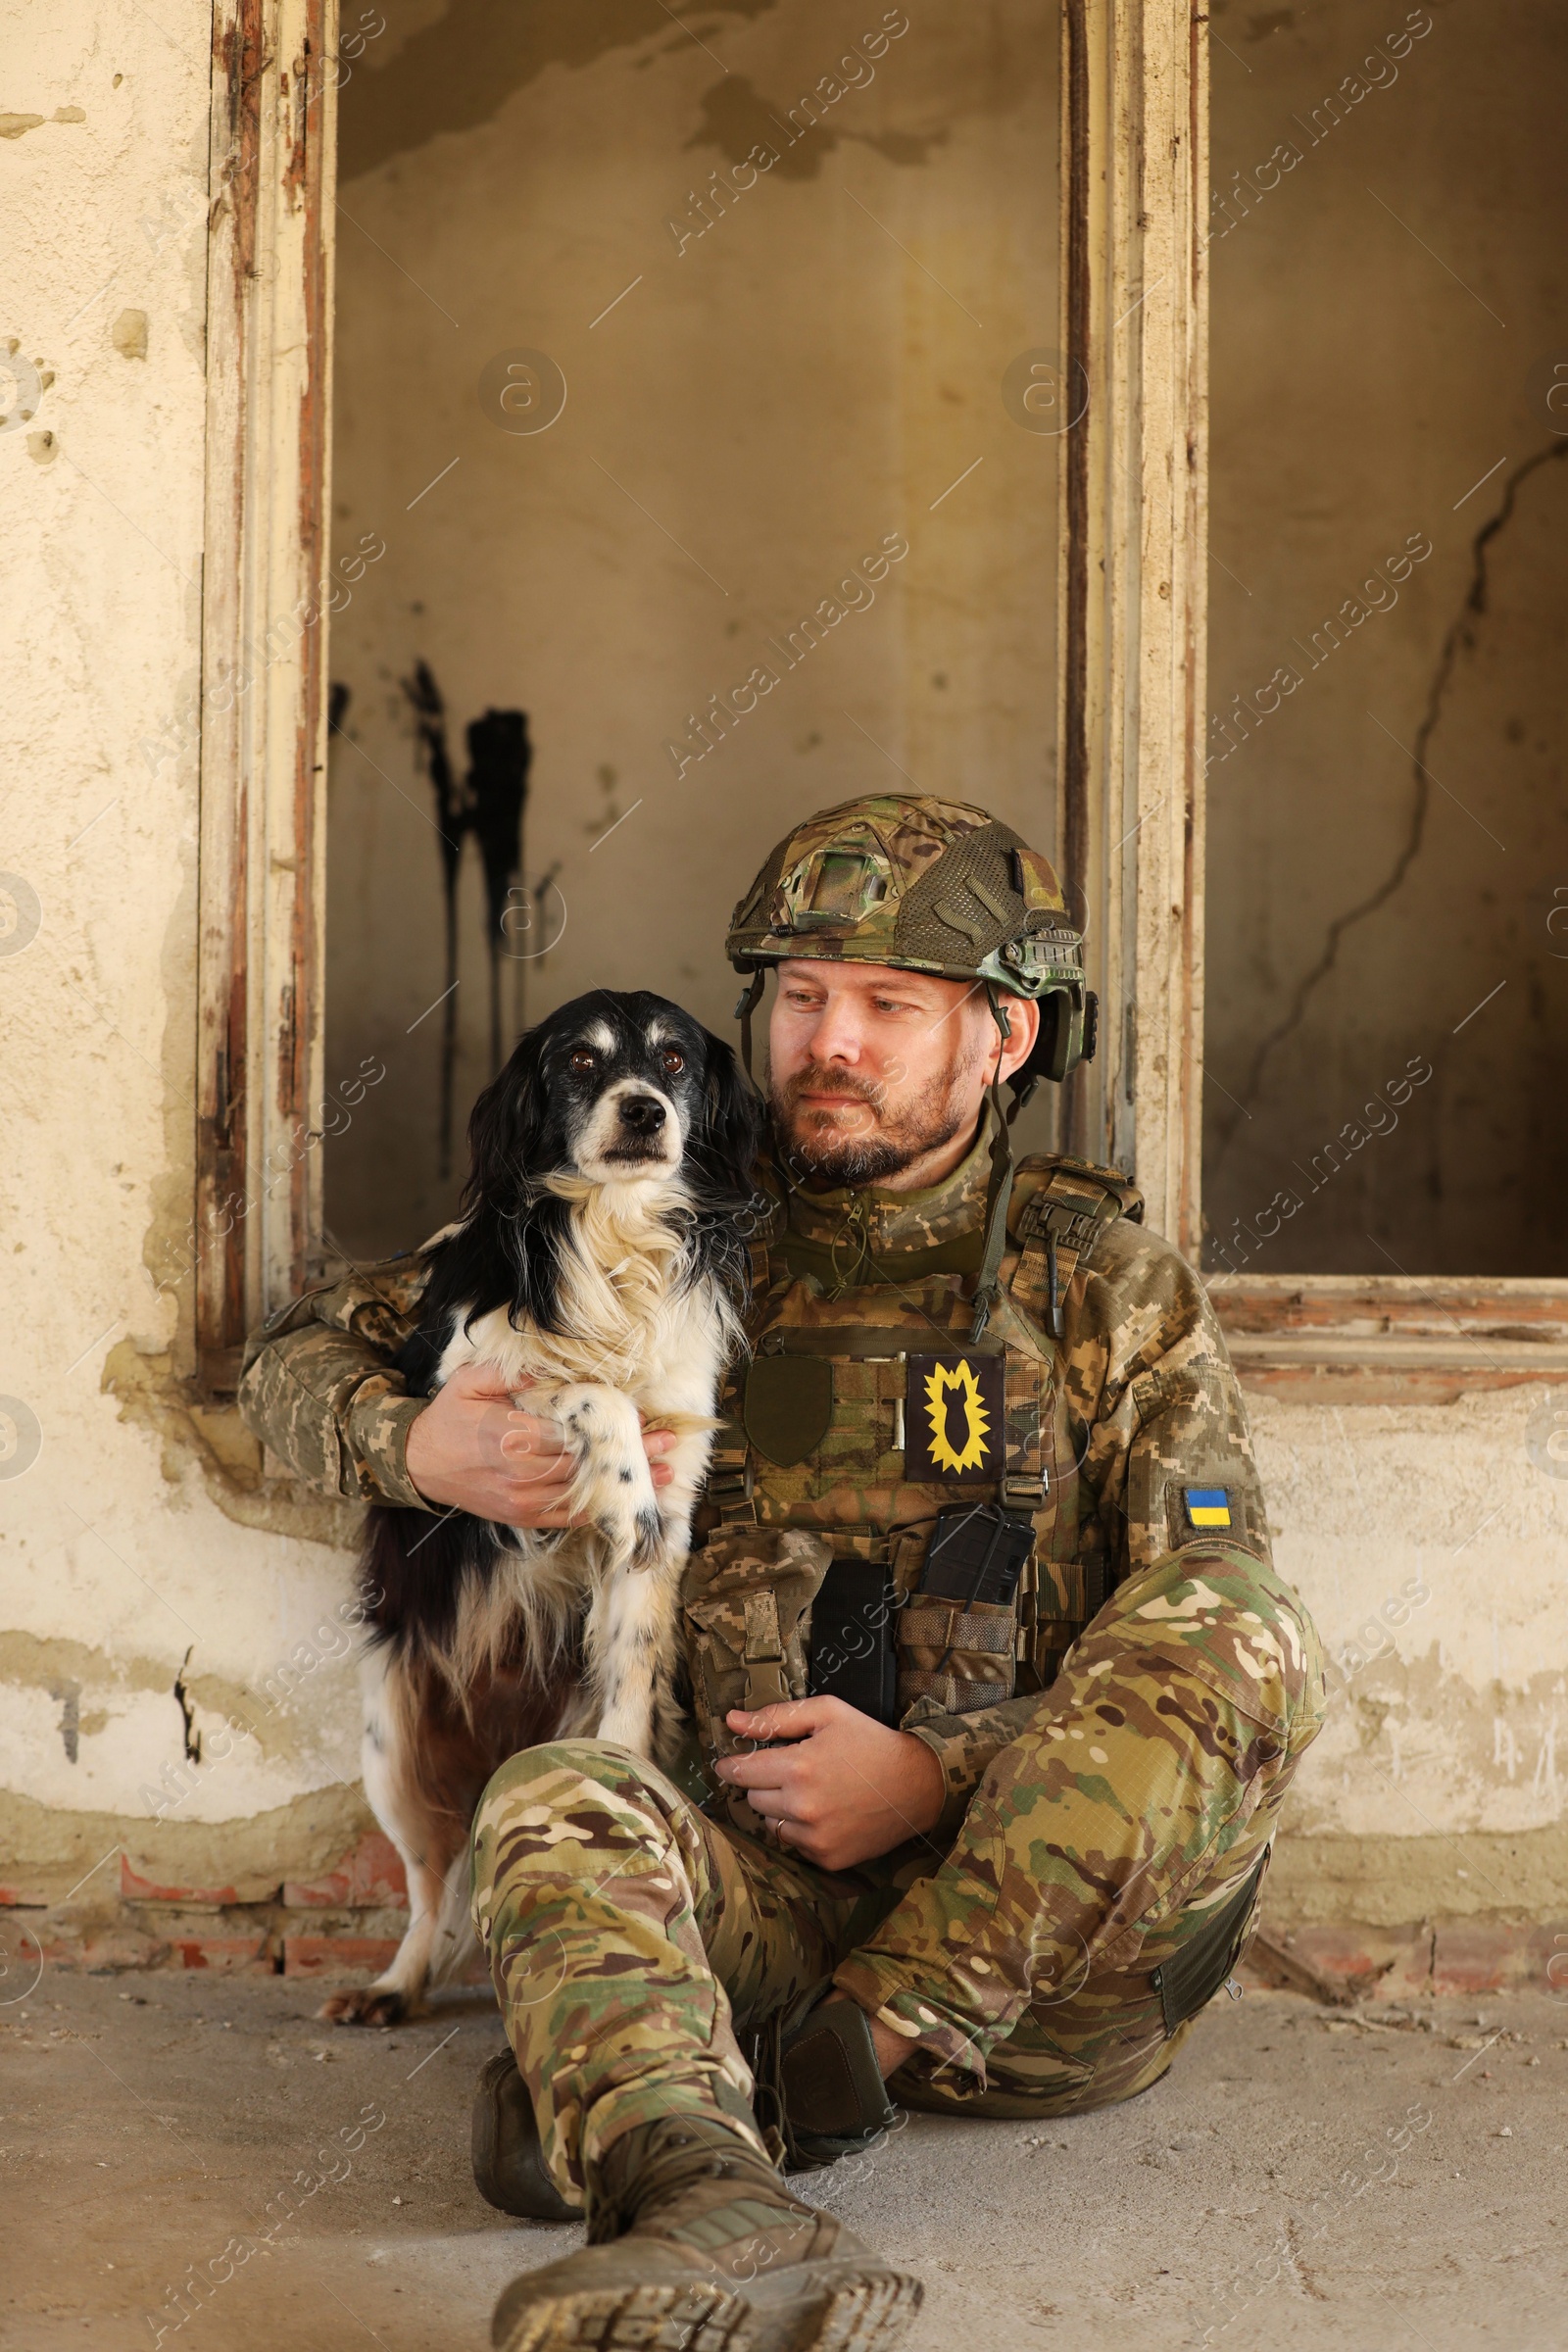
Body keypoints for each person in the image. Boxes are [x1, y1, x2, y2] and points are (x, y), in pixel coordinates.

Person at [240, 795, 1325, 2352]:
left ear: (1004, 1036)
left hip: (1045, 1973)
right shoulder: (676, 1233)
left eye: (888, 1007)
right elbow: (300, 1352)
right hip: (762, 1924)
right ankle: (695, 2190)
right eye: (801, 999)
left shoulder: (1099, 1285)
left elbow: (1224, 1672)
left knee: (1238, 1620)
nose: (831, 1041)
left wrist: (934, 1777)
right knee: (551, 1798)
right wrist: (419, 1449)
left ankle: (854, 2064)